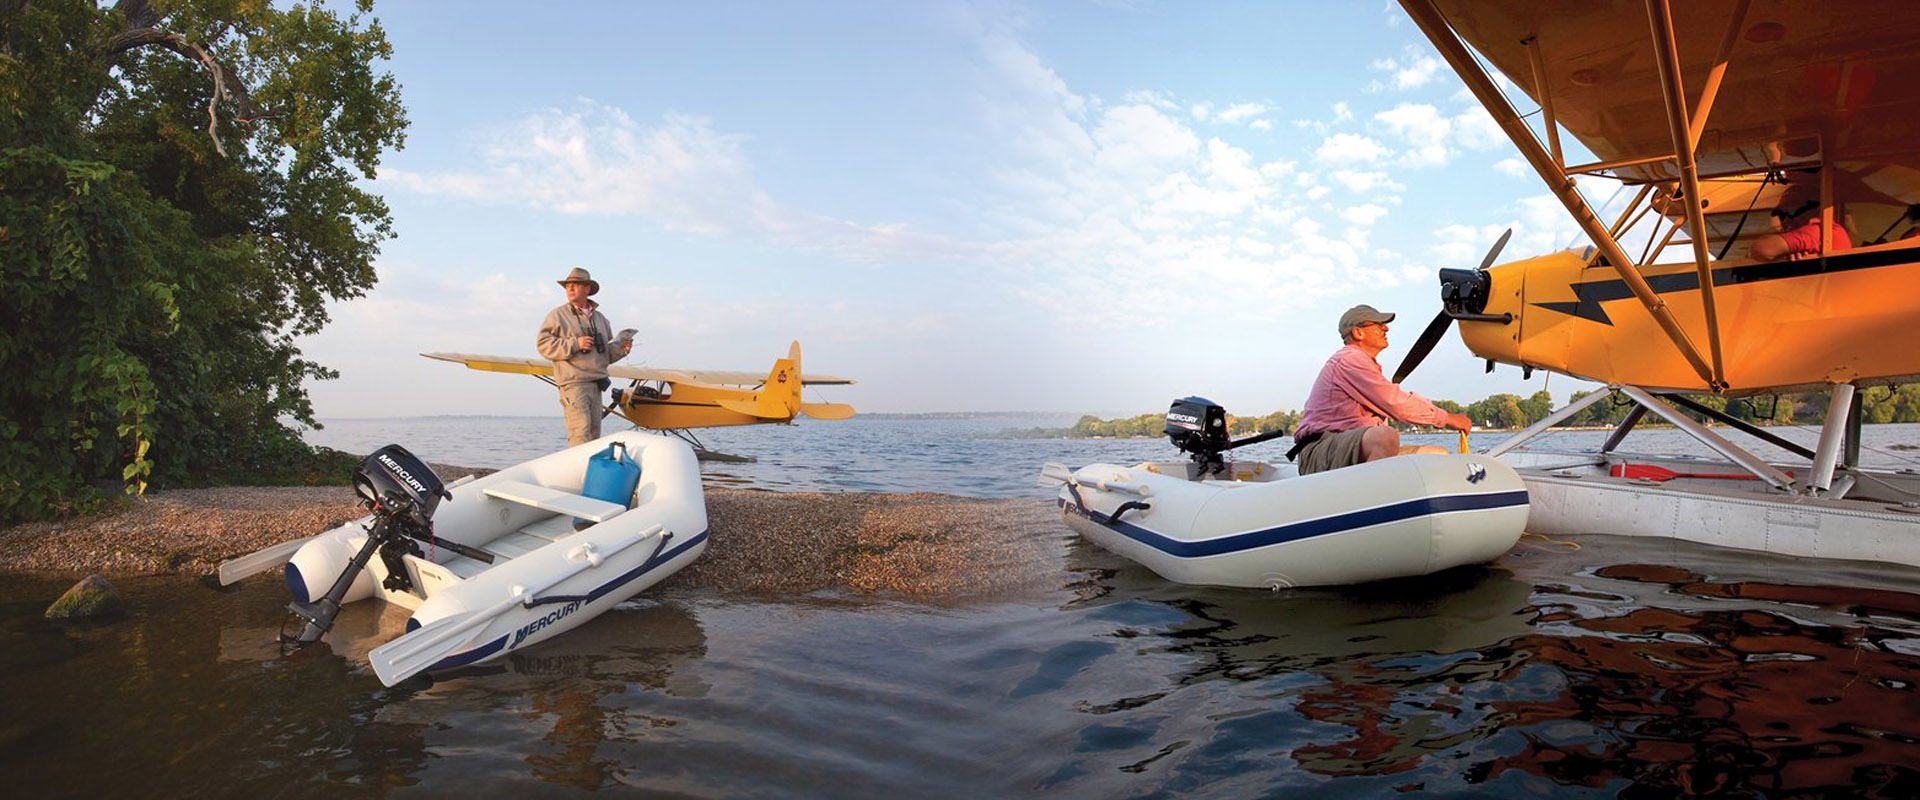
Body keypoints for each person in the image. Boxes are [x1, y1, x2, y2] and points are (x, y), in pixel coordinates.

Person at [1289, 304, 1473, 475]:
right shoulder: (1350, 360)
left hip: (1345, 449)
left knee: (1438, 454)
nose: (1386, 328)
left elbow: (1398, 399)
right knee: (1385, 437)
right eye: (1378, 325)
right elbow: (1396, 404)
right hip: (1319, 452)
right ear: (1358, 332)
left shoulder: (1361, 362)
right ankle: (1368, 502)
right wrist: (1448, 418)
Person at [536, 267, 632, 446]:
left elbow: (605, 355)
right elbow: (543, 345)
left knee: (594, 437)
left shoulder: (601, 319)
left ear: (587, 289)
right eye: (568, 286)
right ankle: (576, 473)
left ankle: (588, 473)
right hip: (573, 383)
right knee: (580, 434)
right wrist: (575, 344)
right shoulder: (557, 316)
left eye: (575, 285)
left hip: (597, 384)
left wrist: (622, 349)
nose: (570, 289)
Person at [1750, 202, 1851, 261]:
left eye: (1789, 213)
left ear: (1810, 210)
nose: (1785, 221)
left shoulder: (1818, 230)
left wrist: (1780, 255)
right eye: (1782, 216)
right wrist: (1786, 252)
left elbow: (1760, 249)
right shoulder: (1830, 229)